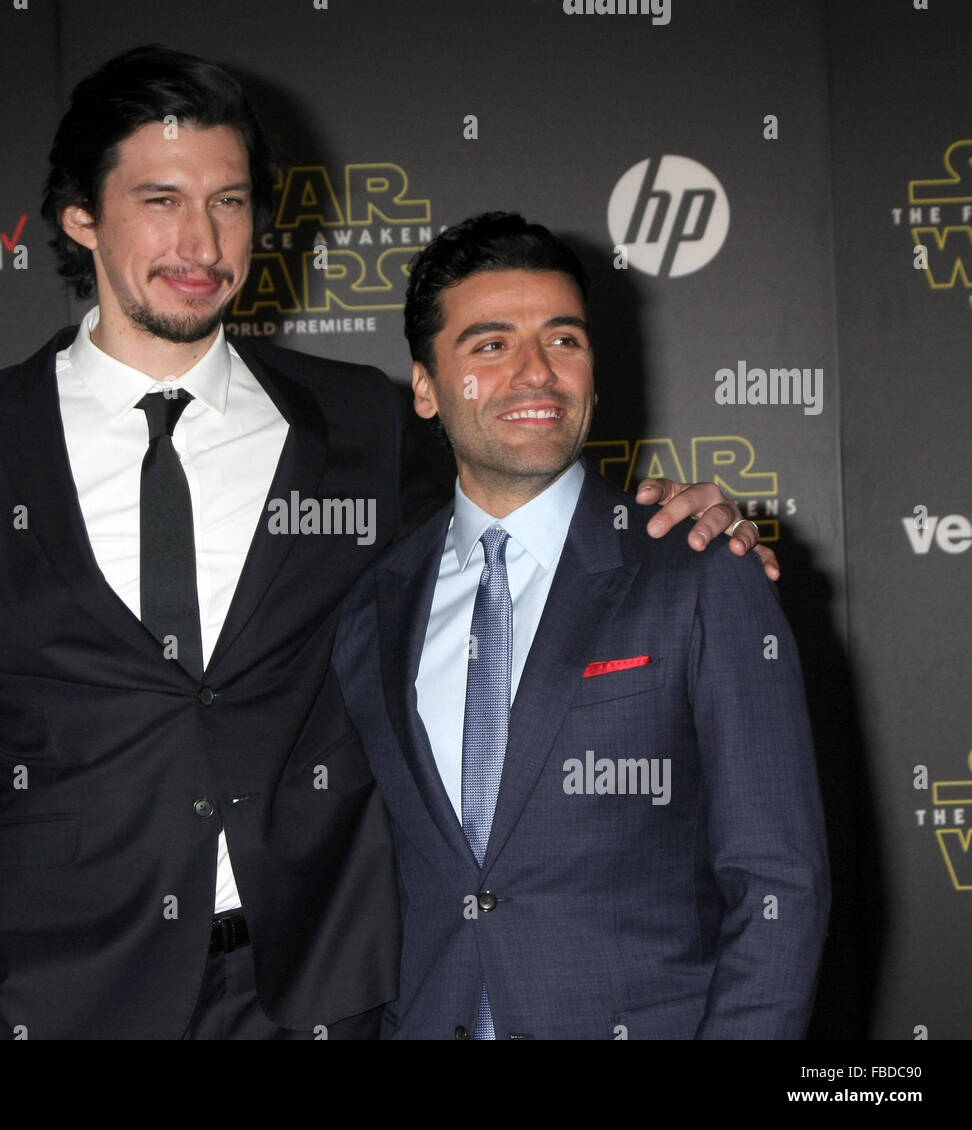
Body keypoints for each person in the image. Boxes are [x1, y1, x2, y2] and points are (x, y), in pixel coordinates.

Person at [0, 47, 770, 1041]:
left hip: (324, 993)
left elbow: (533, 522)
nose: (202, 239)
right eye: (161, 198)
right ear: (79, 215)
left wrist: (674, 522)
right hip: (52, 994)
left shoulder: (367, 426)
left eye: (230, 202)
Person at [330, 212, 829, 1040]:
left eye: (563, 340)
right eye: (490, 345)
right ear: (425, 386)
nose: (537, 373)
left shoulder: (699, 569)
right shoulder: (371, 604)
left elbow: (780, 881)